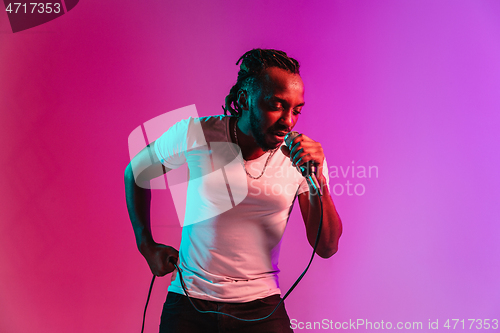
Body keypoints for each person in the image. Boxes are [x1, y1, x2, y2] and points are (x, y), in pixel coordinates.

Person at [124, 49, 342, 332]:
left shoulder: (302, 156)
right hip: (189, 302)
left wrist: (317, 180)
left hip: (261, 306)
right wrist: (145, 244)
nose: (288, 121)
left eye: (296, 110)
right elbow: (137, 171)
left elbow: (326, 247)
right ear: (244, 100)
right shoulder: (197, 134)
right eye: (276, 105)